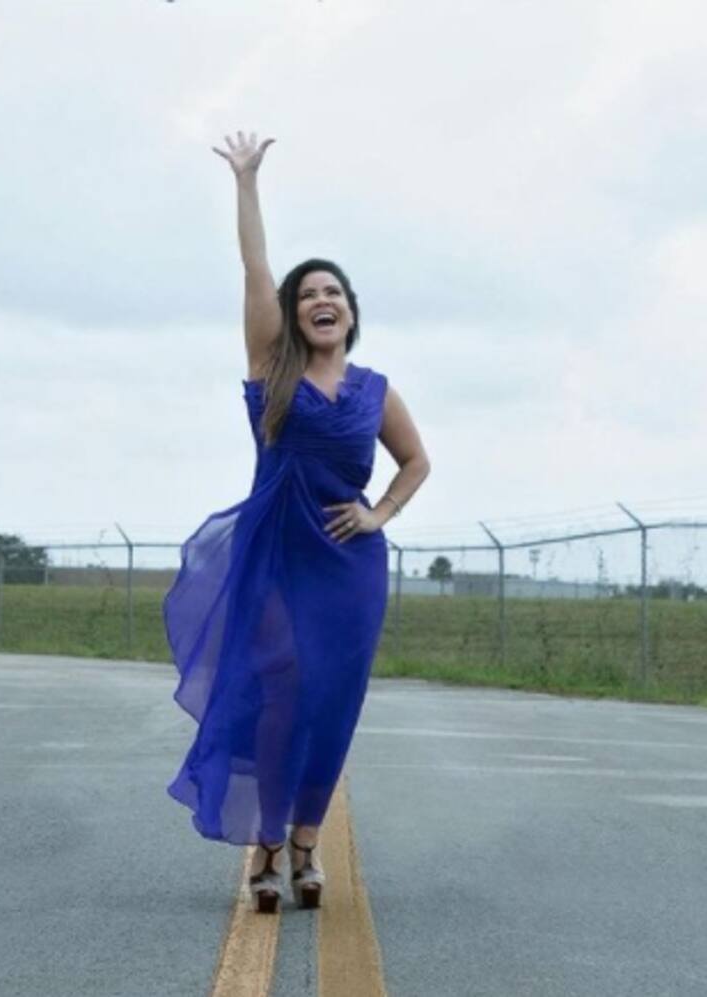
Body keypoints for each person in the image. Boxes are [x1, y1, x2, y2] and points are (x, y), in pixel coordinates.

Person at [162, 130, 431, 913]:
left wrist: (379, 513)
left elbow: (416, 461)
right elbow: (255, 269)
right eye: (309, 292)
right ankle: (268, 846)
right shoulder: (272, 367)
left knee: (332, 701)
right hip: (278, 552)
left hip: (349, 565)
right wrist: (246, 183)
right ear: (293, 311)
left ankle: (308, 844)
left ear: (351, 312)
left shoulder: (375, 390)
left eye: (334, 292)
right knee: (281, 692)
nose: (322, 300)